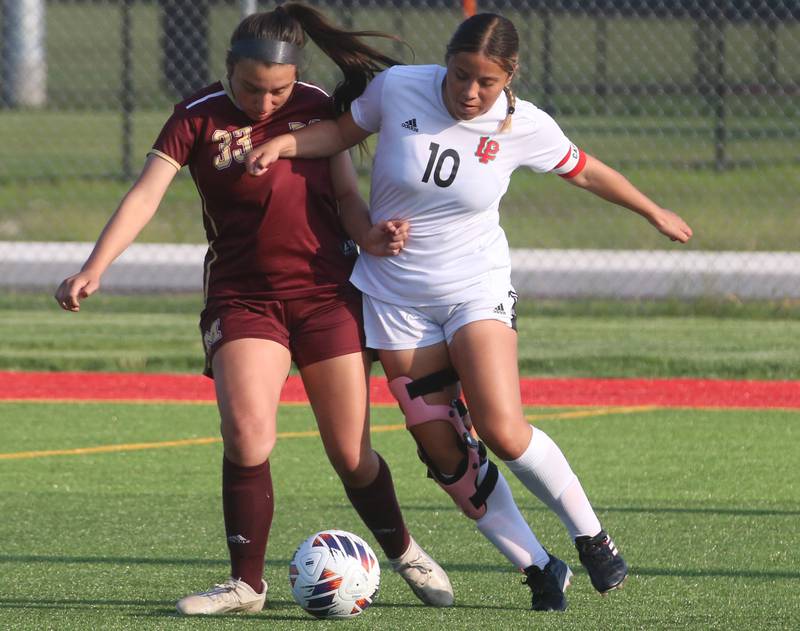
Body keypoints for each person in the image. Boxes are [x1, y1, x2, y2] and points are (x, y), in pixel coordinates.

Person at [246, 10, 694, 611]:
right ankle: (538, 566)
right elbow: (341, 135)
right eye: (460, 76)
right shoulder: (400, 87)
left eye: (486, 82)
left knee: (502, 429)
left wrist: (653, 211)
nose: (469, 92)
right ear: (447, 64)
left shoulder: (525, 125)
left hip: (474, 289)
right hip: (396, 299)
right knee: (442, 450)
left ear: (510, 75)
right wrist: (285, 144)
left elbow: (584, 172)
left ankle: (591, 536)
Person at [54, 3, 455, 616]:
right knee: (247, 436)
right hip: (243, 298)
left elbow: (347, 195)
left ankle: (402, 551)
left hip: (327, 294)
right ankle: (246, 585)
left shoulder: (317, 103)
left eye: (279, 92)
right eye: (251, 89)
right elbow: (145, 194)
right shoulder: (194, 117)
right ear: (227, 72)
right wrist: (94, 267)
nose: (266, 104)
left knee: (351, 454)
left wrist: (371, 235)